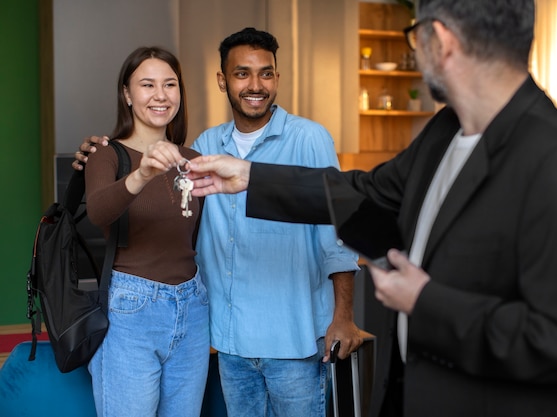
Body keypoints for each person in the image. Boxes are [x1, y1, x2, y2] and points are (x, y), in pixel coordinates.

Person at [185, 1, 557, 416]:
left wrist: (425, 303)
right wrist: (252, 177)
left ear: (442, 39)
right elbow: (362, 192)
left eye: (416, 38)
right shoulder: (445, 132)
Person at [74, 28, 361, 417]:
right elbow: (109, 207)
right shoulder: (205, 146)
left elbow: (336, 233)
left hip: (289, 338)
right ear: (222, 81)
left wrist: (343, 316)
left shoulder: (303, 139)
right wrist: (105, 159)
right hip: (225, 340)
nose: (255, 85)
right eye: (242, 73)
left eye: (266, 73)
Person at [84, 46, 209, 417]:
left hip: (193, 306)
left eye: (170, 84)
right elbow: (98, 212)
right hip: (131, 309)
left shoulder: (193, 159)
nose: (161, 95)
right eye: (147, 84)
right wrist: (143, 173)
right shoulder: (106, 154)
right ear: (127, 94)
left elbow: (196, 236)